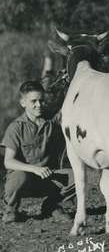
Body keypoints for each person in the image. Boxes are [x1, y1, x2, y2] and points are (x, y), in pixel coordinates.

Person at [2, 80, 70, 223]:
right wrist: (34, 169)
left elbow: (68, 109)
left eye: (41, 100)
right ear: (23, 103)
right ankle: (10, 209)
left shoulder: (51, 122)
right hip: (24, 181)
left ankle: (51, 206)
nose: (39, 105)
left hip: (47, 178)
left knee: (77, 177)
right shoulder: (16, 128)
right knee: (19, 175)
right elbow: (8, 162)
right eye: (33, 101)